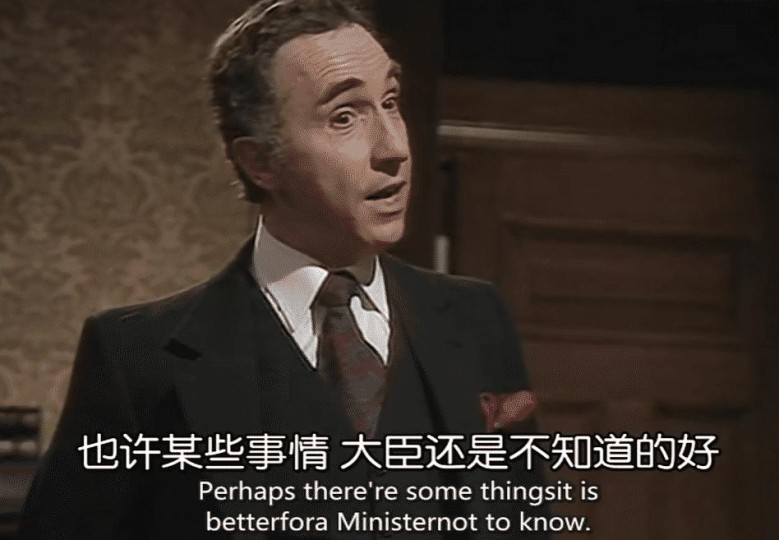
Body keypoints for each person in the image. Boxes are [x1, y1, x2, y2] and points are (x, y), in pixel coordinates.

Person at [19, 1, 547, 538]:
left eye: (390, 101)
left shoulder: (477, 320)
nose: (394, 148)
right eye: (344, 117)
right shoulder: (136, 357)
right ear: (260, 162)